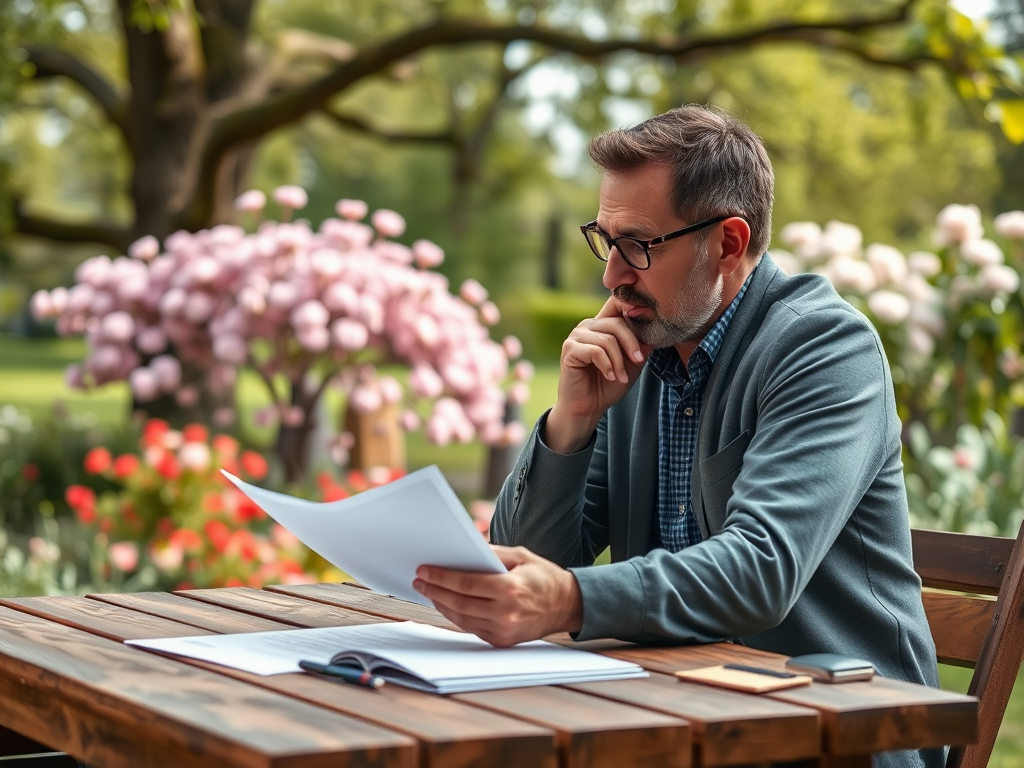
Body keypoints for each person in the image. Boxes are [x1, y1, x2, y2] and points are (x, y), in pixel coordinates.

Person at [413, 104, 941, 768]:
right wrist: (571, 423)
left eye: (638, 245)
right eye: (605, 241)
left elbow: (760, 569)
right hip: (675, 723)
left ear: (726, 242)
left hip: (833, 740)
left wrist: (572, 598)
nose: (612, 276)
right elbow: (529, 559)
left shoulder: (825, 348)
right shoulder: (640, 355)